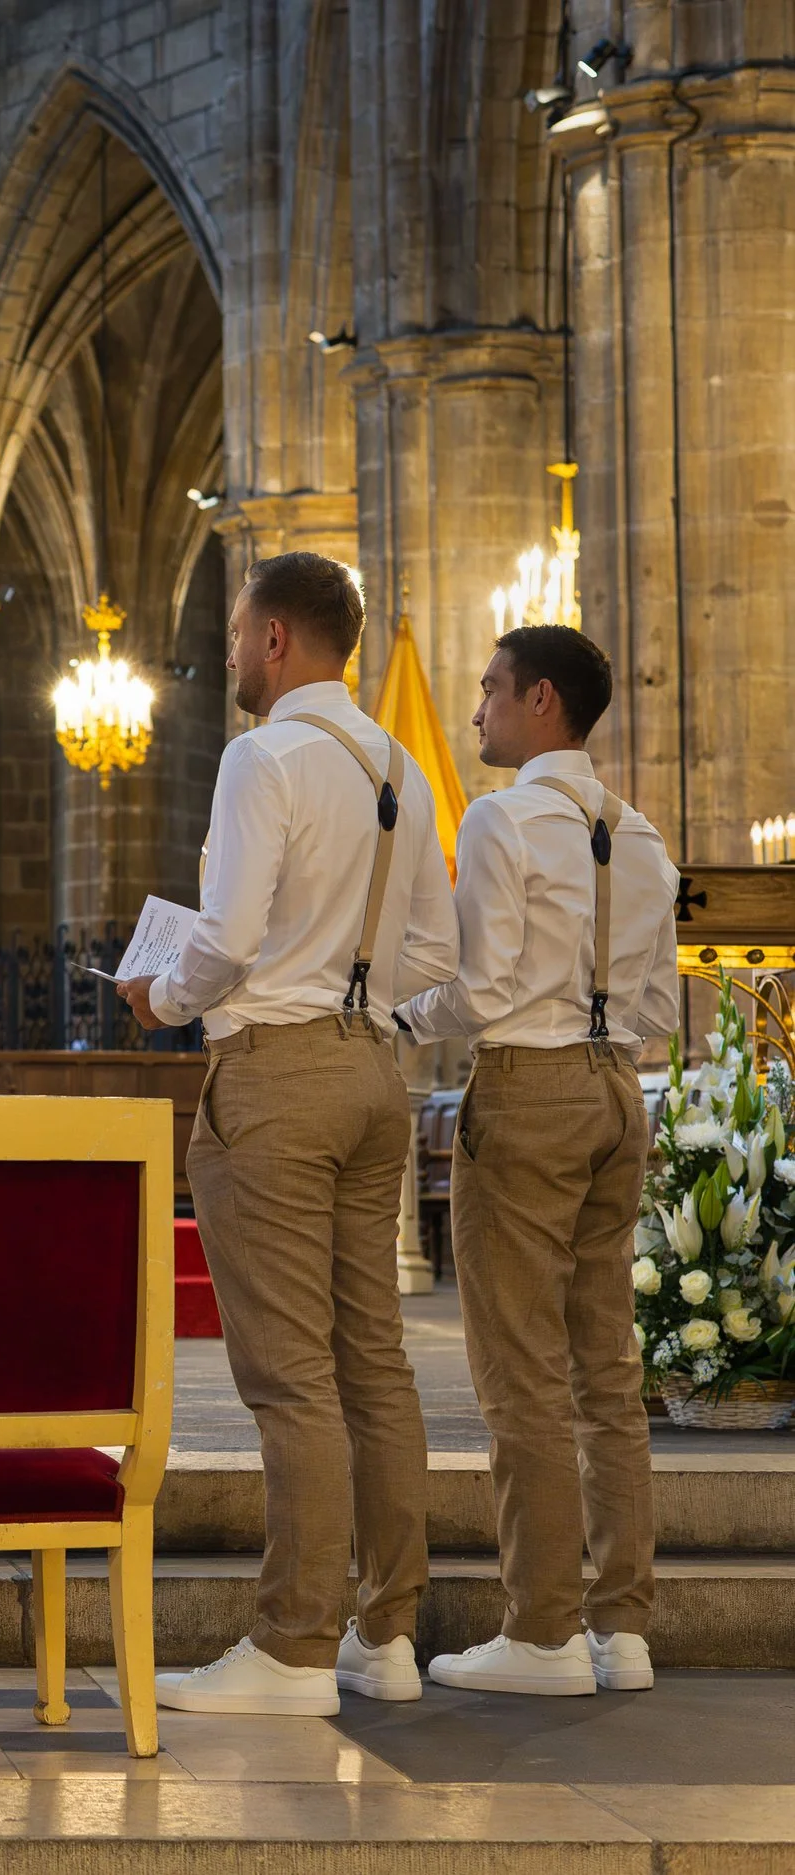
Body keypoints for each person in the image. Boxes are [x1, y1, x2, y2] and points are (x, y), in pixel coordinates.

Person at [121, 551, 456, 1715]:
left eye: (232, 632)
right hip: (373, 1073)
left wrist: (163, 997)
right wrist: (358, 1008)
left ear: (274, 639)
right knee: (373, 1358)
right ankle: (389, 1634)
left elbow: (226, 932)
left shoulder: (262, 757)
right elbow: (436, 955)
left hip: (274, 1076)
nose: (224, 653)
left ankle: (295, 1647)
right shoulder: (400, 764)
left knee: (288, 1373)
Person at [398, 626, 676, 1696]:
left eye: (490, 692)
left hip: (530, 1092)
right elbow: (656, 1001)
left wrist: (394, 1016)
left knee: (518, 1371)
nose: (477, 713)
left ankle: (543, 1633)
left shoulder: (505, 820)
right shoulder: (640, 834)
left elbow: (481, 987)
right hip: (615, 1090)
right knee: (606, 1372)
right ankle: (623, 1629)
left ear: (542, 701)